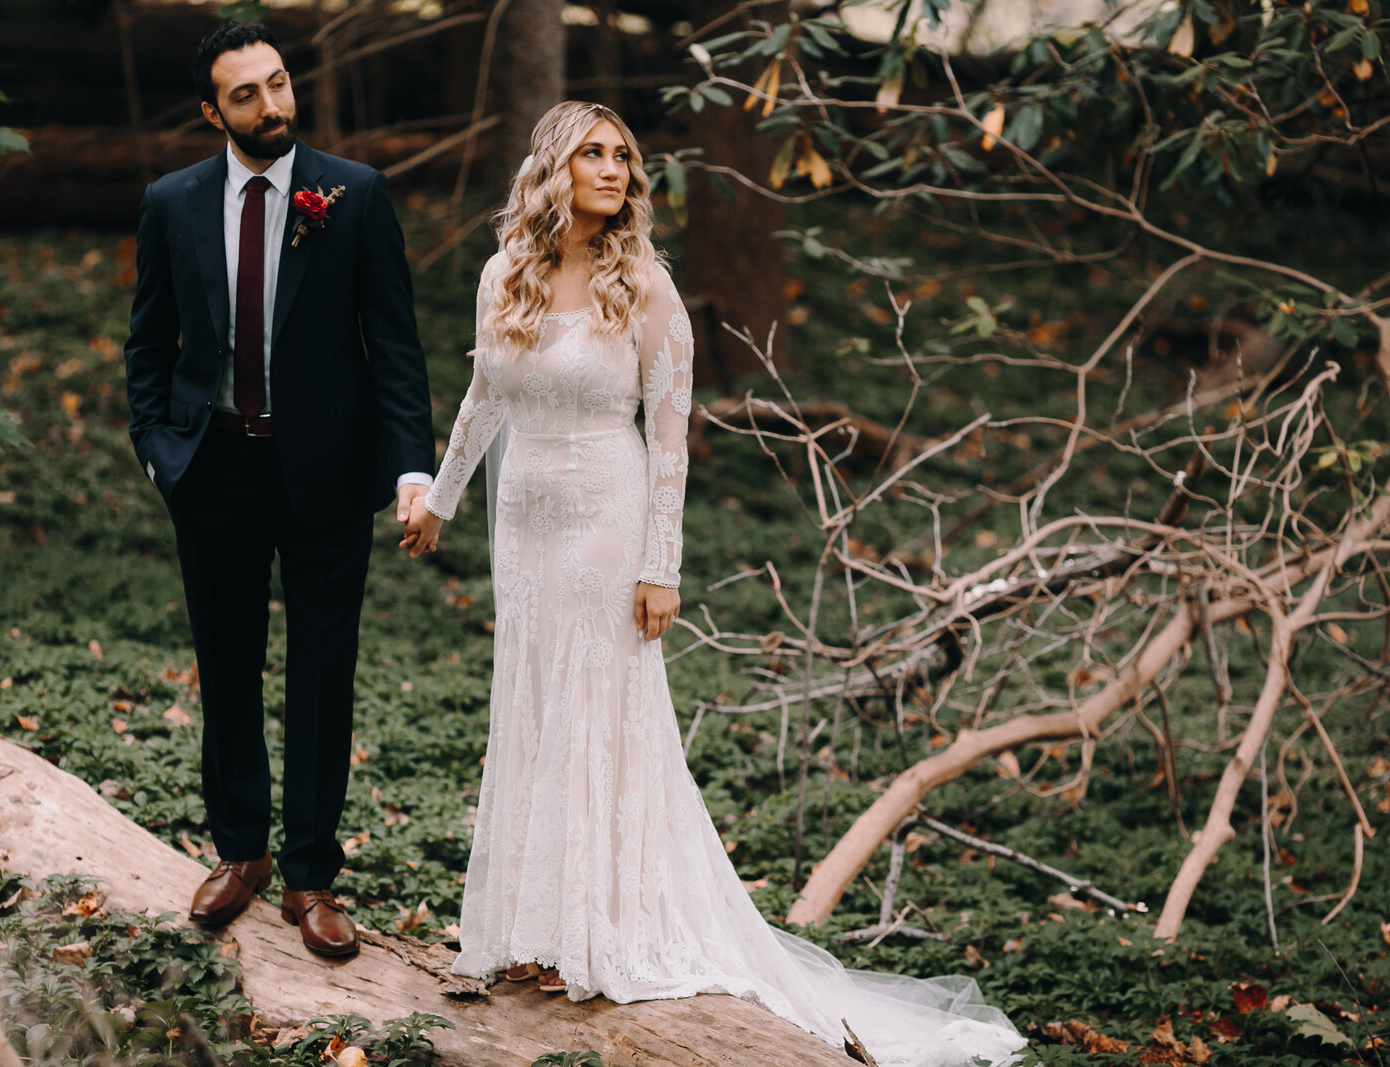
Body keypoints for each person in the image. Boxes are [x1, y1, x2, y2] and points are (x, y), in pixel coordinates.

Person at [399, 101, 1028, 1065]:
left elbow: (668, 443)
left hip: (608, 520)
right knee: (532, 703)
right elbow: (487, 394)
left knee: (601, 709)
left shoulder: (644, 286)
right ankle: (530, 929)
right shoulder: (505, 275)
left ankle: (598, 928)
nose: (614, 170)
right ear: (553, 167)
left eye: (624, 157)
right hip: (522, 523)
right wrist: (440, 497)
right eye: (594, 154)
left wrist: (662, 565)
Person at [123, 21, 435, 958]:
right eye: (248, 93)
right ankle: (241, 852)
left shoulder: (354, 194)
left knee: (322, 674)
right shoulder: (171, 204)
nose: (273, 103)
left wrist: (409, 467)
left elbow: (397, 350)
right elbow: (148, 342)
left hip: (328, 474)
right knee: (225, 665)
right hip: (211, 466)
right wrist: (156, 447)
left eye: (280, 82)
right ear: (212, 111)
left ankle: (311, 875)